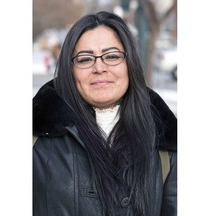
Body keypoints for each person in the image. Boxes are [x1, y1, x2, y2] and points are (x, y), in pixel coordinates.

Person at [33, 11, 177, 216]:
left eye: (111, 56)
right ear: (69, 70)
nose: (99, 67)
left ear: (130, 64)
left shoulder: (166, 141)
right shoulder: (36, 138)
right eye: (84, 59)